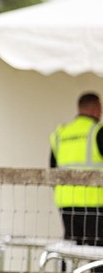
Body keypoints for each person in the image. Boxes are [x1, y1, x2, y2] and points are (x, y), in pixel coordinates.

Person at [49, 92, 103, 249]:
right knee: (97, 254)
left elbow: (52, 170)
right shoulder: (97, 132)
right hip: (95, 203)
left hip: (66, 202)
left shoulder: (61, 133)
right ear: (94, 109)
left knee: (71, 249)